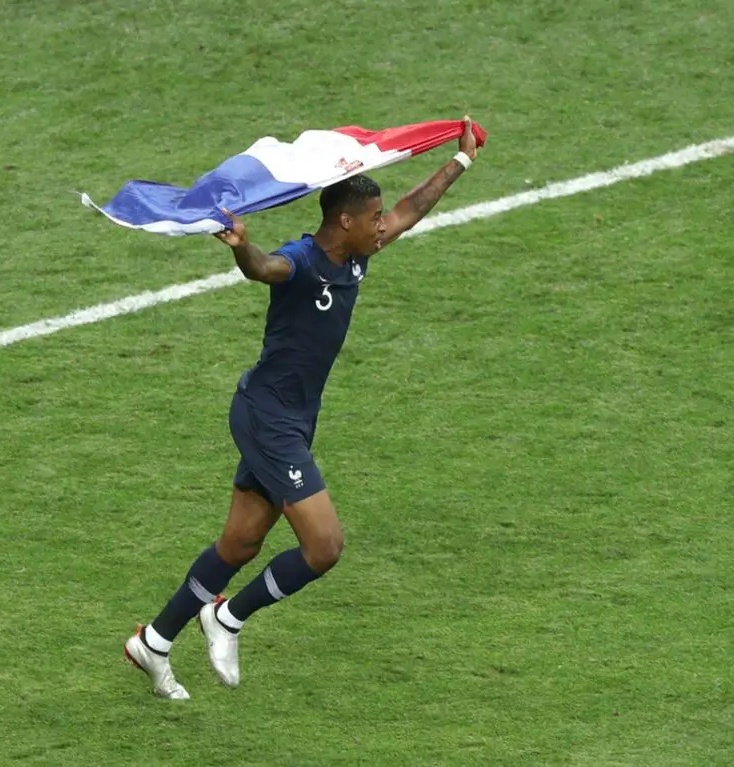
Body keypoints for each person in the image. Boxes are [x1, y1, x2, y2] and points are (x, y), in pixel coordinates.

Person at [124, 117, 483, 699]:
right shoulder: (303, 260)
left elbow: (410, 210)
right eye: (373, 217)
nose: (382, 225)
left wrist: (459, 162)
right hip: (267, 418)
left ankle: (155, 642)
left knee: (239, 544)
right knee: (325, 546)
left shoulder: (357, 255)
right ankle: (228, 617)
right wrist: (242, 247)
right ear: (345, 222)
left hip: (289, 418)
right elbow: (266, 269)